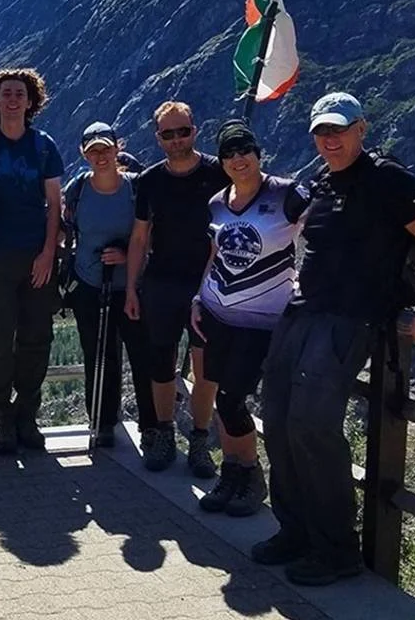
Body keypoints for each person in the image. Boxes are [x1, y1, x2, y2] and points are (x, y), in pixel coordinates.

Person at [254, 92, 415, 586]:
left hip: (352, 319)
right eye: (322, 131)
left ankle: (336, 549)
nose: (331, 139)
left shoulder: (387, 179)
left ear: (361, 129)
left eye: (339, 129)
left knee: (312, 425)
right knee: (276, 417)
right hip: (305, 310)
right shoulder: (322, 179)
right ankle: (295, 531)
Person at [191, 120, 307, 517]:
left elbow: (326, 232)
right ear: (221, 161)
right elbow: (215, 254)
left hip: (262, 321)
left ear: (258, 154)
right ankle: (232, 474)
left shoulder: (287, 194)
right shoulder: (217, 203)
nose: (238, 159)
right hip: (216, 313)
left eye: (245, 150)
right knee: (222, 399)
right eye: (229, 153)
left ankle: (251, 476)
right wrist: (198, 296)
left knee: (231, 398)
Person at [123, 101, 230, 474]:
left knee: (206, 368)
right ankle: (164, 434)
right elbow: (139, 238)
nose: (176, 139)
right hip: (162, 283)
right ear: (158, 138)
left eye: (182, 131)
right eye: (168, 134)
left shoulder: (219, 173)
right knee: (161, 362)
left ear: (194, 131)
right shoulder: (149, 180)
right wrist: (132, 288)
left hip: (209, 285)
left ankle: (200, 440)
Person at [0, 68, 65, 454]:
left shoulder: (43, 146)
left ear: (30, 101)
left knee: (37, 337)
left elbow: (54, 204)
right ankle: (1, 415)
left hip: (36, 256)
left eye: (19, 94)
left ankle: (27, 413)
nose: (12, 99)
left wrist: (48, 253)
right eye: (5, 93)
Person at [61, 122, 154, 449]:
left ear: (118, 148)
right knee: (99, 355)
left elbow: (150, 235)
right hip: (89, 284)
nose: (100, 156)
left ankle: (151, 425)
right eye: (93, 151)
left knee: (143, 356)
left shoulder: (135, 189)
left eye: (105, 149)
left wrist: (128, 255)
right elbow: (65, 229)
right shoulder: (77, 189)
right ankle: (102, 422)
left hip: (131, 286)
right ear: (83, 154)